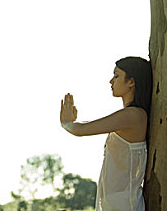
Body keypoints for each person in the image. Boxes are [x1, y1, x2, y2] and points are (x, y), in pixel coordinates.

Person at [60, 56, 152, 211]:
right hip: (116, 203)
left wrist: (66, 123)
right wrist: (73, 123)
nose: (111, 81)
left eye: (116, 76)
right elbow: (87, 125)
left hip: (124, 205)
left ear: (131, 82)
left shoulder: (133, 115)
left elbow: (81, 130)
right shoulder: (128, 116)